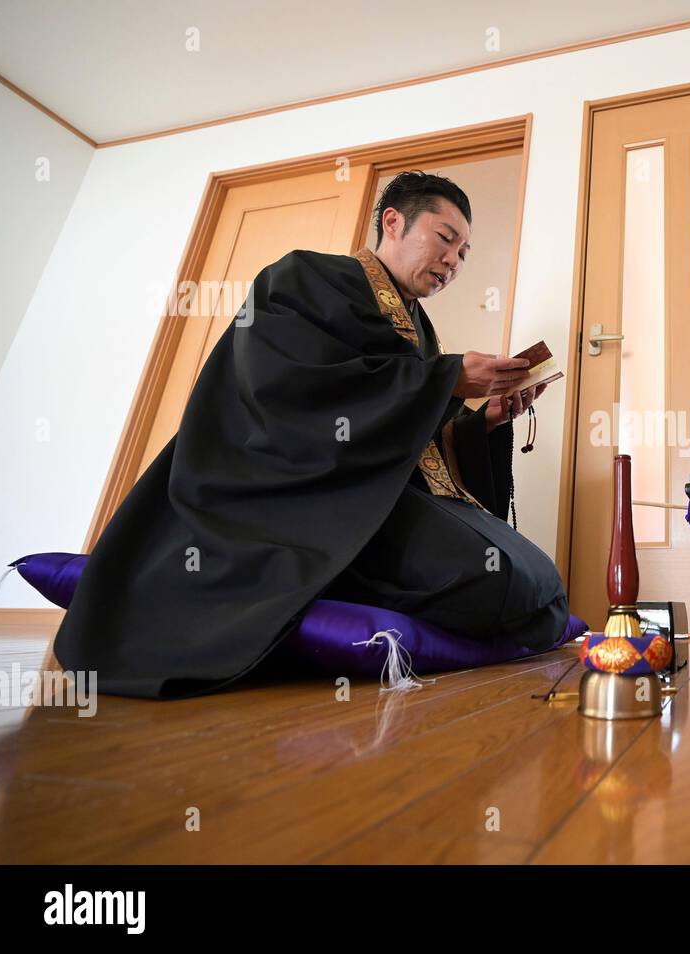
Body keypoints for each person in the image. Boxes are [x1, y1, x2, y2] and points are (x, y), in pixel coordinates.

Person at [53, 172, 570, 698]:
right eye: (445, 238)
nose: (454, 261)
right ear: (393, 222)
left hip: (377, 491)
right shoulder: (303, 277)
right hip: (303, 495)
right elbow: (290, 391)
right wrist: (446, 378)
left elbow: (404, 437)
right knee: (498, 579)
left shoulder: (422, 329)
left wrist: (481, 421)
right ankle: (321, 582)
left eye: (464, 253)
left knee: (540, 579)